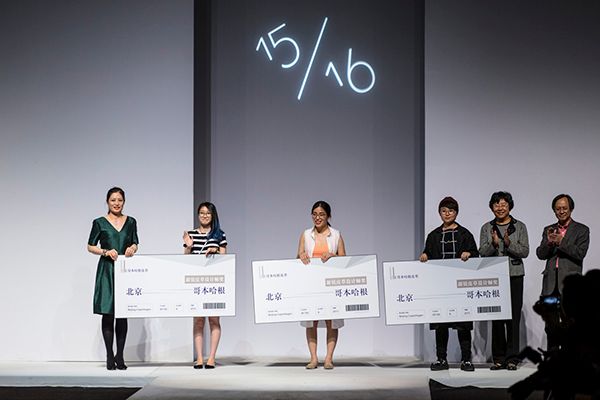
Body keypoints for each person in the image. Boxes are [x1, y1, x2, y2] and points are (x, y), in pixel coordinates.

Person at [420, 196, 479, 372]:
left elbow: (476, 255)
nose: (447, 214)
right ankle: (441, 359)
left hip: (460, 286)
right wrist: (424, 256)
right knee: (441, 324)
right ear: (439, 213)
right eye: (444, 211)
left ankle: (466, 360)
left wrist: (469, 254)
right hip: (440, 286)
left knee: (463, 325)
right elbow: (427, 253)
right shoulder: (433, 235)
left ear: (456, 213)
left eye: (451, 211)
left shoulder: (465, 234)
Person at [87, 187, 139, 370]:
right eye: (113, 200)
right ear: (107, 202)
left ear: (124, 202)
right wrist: (105, 251)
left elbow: (135, 242)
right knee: (108, 313)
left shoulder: (131, 221)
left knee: (122, 313)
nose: (117, 203)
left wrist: (132, 248)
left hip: (124, 270)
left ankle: (120, 355)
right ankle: (110, 354)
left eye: (120, 200)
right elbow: (90, 246)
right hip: (107, 270)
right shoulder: (99, 222)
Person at [479, 191, 529, 371]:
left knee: (513, 318)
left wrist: (509, 244)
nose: (500, 208)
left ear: (509, 206)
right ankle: (499, 358)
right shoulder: (487, 227)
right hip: (494, 277)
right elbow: (482, 252)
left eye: (503, 204)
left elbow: (525, 251)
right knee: (497, 318)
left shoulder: (519, 226)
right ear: (492, 207)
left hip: (515, 275)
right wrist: (493, 244)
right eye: (496, 204)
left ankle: (512, 358)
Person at [535, 193, 589, 351]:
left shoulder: (582, 230)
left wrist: (561, 241)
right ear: (554, 210)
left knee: (570, 323)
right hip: (550, 284)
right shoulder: (549, 229)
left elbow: (580, 253)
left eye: (564, 208)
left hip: (570, 285)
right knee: (550, 324)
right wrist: (549, 243)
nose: (561, 211)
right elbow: (540, 254)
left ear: (571, 209)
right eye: (558, 209)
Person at [297, 201, 346, 370]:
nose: (318, 218)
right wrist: (301, 256)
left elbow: (345, 259)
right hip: (310, 284)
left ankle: (329, 359)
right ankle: (313, 358)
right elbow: (298, 257)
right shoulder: (305, 234)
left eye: (322, 214)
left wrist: (333, 256)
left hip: (331, 285)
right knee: (312, 320)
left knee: (331, 320)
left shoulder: (336, 235)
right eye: (315, 214)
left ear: (328, 216)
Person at [183, 202, 227, 369]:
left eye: (208, 213)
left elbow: (225, 260)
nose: (204, 216)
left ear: (213, 215)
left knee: (214, 320)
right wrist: (189, 247)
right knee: (198, 321)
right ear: (198, 215)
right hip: (197, 283)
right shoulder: (191, 234)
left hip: (214, 283)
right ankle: (200, 358)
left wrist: (216, 250)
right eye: (202, 213)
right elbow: (185, 260)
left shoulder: (219, 234)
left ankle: (212, 358)